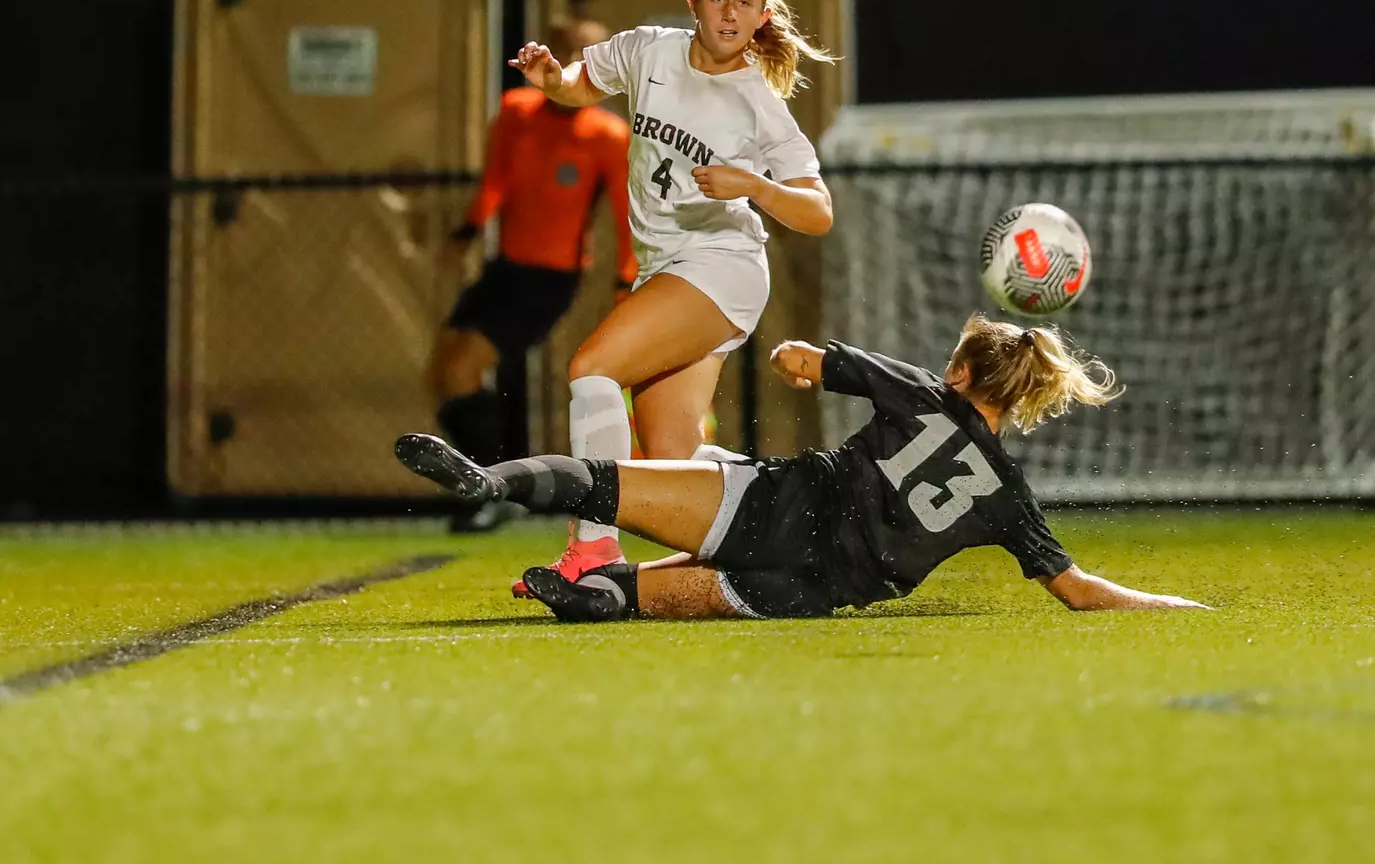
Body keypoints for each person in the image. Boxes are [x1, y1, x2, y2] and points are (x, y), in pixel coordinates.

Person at [396, 315, 1209, 619]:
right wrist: (1166, 600)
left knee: (602, 480)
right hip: (806, 590)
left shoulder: (924, 394)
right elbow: (1076, 590)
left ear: (961, 374)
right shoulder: (1008, 499)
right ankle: (584, 598)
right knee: (638, 598)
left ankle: (491, 482)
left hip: (772, 507)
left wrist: (797, 359)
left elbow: (801, 361)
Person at [504, 0, 836, 594]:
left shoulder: (758, 101)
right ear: (693, 4)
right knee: (668, 466)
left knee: (591, 368)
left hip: (723, 267)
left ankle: (593, 547)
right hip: (667, 268)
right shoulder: (648, 50)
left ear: (763, 16)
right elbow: (579, 85)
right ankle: (797, 515)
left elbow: (818, 212)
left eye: (745, 1)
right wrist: (551, 81)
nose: (730, 10)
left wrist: (755, 186)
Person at [429, 19, 636, 529]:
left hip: (549, 279)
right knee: (439, 372)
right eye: (559, 52)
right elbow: (495, 179)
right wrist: (470, 228)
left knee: (462, 370)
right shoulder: (516, 112)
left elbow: (625, 217)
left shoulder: (607, 136)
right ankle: (489, 480)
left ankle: (494, 487)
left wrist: (625, 281)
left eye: (579, 55)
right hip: (505, 267)